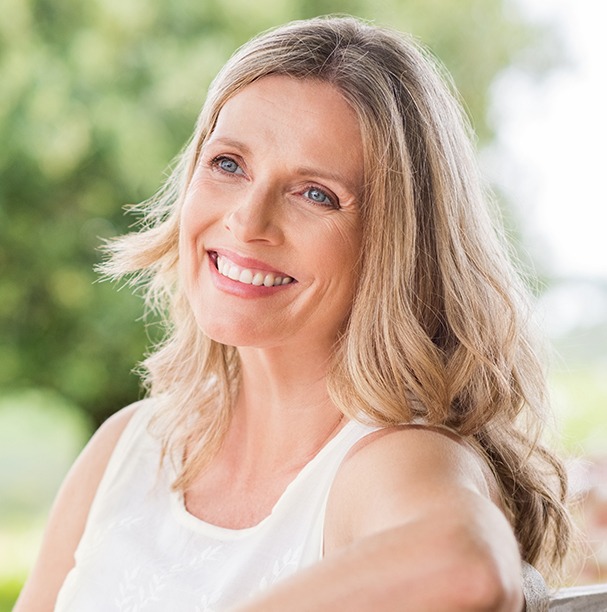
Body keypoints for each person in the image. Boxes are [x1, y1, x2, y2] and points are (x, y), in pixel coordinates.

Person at [15, 15, 572, 611]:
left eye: (316, 194)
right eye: (228, 164)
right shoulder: (128, 446)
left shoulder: (389, 459)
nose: (246, 222)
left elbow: (468, 571)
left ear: (396, 243)